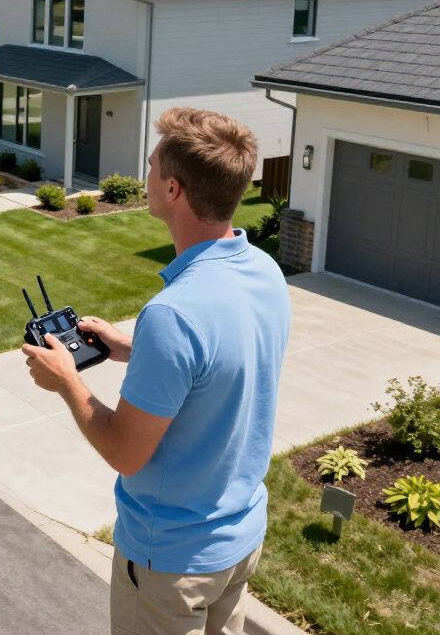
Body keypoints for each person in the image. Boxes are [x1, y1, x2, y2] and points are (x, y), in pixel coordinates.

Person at [23, 107, 290, 635]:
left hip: (171, 561)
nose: (143, 176)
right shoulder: (264, 271)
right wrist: (133, 348)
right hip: (238, 543)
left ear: (172, 190)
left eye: (149, 167)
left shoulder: (173, 315)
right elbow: (223, 366)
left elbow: (124, 451)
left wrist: (67, 380)